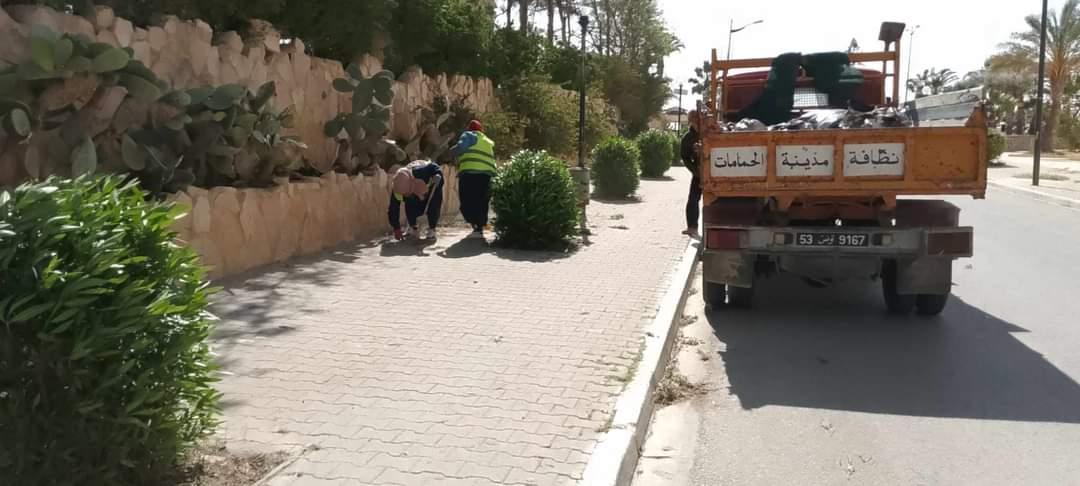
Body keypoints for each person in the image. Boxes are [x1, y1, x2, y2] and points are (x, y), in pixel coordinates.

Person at [452, 119, 498, 239]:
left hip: (469, 174)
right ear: (481, 130)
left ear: (470, 129)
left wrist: (451, 152)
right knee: (482, 200)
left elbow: (461, 147)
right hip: (486, 175)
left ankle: (473, 221)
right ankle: (480, 225)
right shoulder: (488, 141)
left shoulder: (469, 135)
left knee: (466, 200)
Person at [388, 160, 443, 241]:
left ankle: (432, 229)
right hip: (413, 188)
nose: (405, 195)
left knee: (434, 202)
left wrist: (437, 174)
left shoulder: (421, 171)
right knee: (410, 203)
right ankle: (413, 227)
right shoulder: (397, 187)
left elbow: (433, 166)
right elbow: (393, 208)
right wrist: (396, 228)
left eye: (406, 193)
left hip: (430, 183)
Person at [681, 110, 703, 239]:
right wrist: (695, 171)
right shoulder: (688, 138)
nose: (695, 122)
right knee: (693, 200)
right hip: (699, 173)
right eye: (692, 120)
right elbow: (685, 157)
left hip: (718, 171)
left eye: (696, 119)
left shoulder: (710, 132)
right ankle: (692, 227)